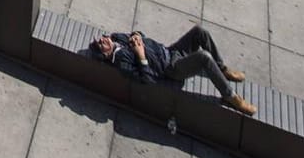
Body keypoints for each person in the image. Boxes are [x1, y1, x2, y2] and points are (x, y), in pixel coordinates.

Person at [87, 26, 256, 116]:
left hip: (170, 51)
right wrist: (141, 54)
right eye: (100, 44)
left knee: (199, 32)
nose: (103, 39)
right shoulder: (122, 63)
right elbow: (147, 79)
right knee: (203, 57)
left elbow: (137, 33)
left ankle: (222, 68)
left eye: (101, 38)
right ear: (105, 54)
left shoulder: (116, 37)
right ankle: (231, 97)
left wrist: (137, 35)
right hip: (170, 69)